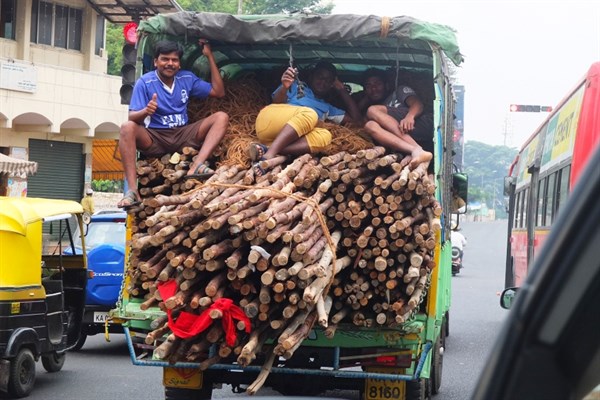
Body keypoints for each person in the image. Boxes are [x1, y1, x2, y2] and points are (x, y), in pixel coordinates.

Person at [117, 40, 229, 209]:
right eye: (165, 59)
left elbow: (218, 92)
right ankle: (133, 191)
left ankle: (196, 165)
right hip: (155, 137)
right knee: (126, 127)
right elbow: (132, 117)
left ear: (179, 64)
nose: (170, 63)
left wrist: (209, 56)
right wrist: (146, 111)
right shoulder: (145, 82)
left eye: (174, 60)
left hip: (183, 134)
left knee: (221, 117)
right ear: (156, 62)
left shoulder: (186, 78)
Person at [248, 61, 361, 175]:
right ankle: (268, 156)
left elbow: (356, 120)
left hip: (286, 139)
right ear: (312, 76)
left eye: (328, 80)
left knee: (325, 136)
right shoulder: (296, 85)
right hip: (270, 121)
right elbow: (276, 102)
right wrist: (284, 87)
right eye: (320, 77)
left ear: (332, 84)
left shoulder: (327, 108)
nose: (323, 82)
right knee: (311, 114)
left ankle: (268, 148)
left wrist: (342, 90)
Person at [364, 80, 434, 169]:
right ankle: (414, 150)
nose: (374, 89)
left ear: (387, 85)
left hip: (419, 124)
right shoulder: (379, 107)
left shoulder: (399, 91)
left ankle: (416, 149)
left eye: (378, 84)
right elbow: (357, 120)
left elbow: (418, 104)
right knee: (370, 125)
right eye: (368, 86)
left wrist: (410, 116)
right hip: (410, 136)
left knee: (372, 110)